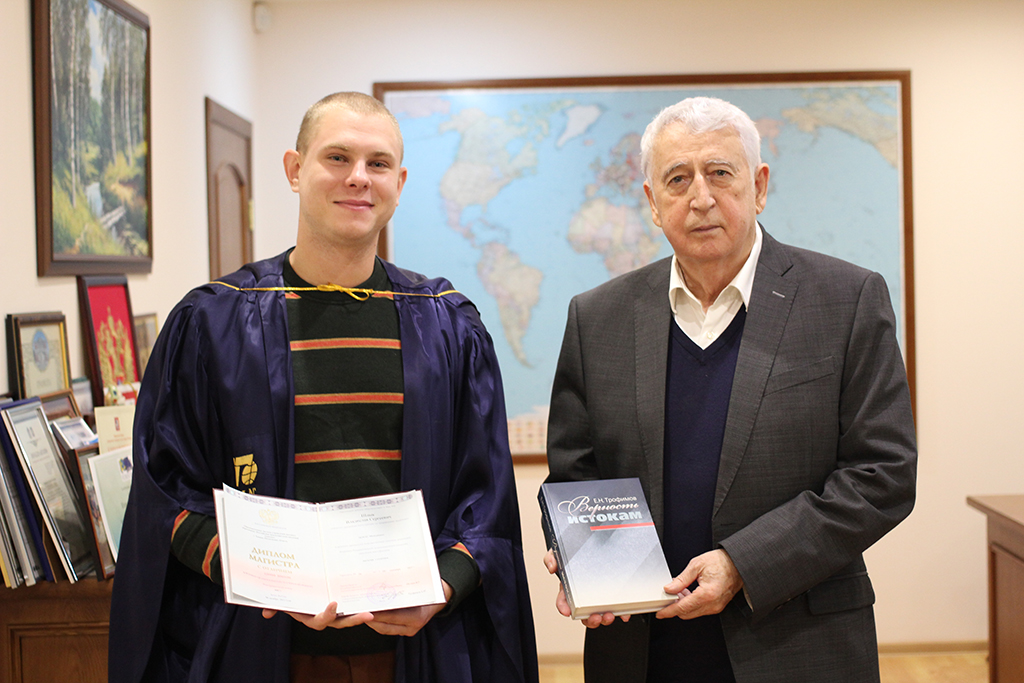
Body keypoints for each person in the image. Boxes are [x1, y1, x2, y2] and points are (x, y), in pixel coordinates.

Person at [109, 92, 539, 683]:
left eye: (378, 163)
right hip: (260, 650)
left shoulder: (446, 325)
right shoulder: (214, 322)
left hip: (415, 653)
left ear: (399, 183)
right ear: (294, 169)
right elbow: (166, 489)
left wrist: (442, 586)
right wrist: (258, 574)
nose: (358, 177)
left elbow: (486, 496)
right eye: (337, 157)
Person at [543, 96, 916, 683]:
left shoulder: (846, 300)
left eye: (720, 172)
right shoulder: (598, 317)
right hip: (641, 649)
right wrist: (580, 557)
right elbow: (574, 474)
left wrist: (744, 564)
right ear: (653, 202)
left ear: (759, 186)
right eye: (678, 179)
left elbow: (882, 475)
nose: (700, 197)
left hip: (798, 643)